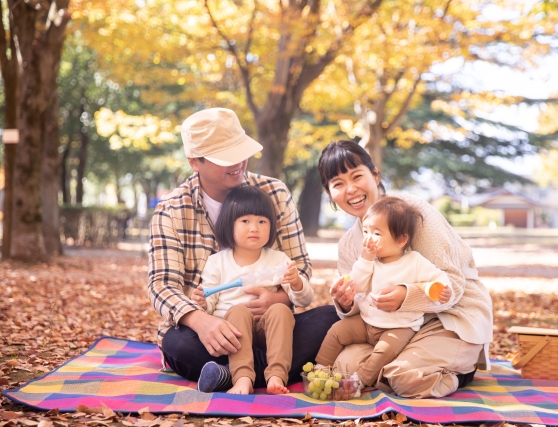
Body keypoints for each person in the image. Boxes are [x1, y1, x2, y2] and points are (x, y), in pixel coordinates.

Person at [148, 108, 339, 392]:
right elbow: (162, 285)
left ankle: (231, 376)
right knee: (178, 344)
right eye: (226, 157)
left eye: (240, 151)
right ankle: (269, 372)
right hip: (214, 335)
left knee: (331, 318)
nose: (238, 163)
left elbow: (299, 266)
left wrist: (278, 298)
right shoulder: (172, 209)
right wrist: (201, 321)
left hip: (274, 328)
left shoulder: (274, 193)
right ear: (194, 162)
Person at [316, 140, 493, 399]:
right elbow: (359, 304)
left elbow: (453, 284)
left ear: (375, 175)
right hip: (386, 328)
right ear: (329, 192)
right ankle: (403, 366)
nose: (351, 189)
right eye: (338, 183)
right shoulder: (347, 245)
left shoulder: (413, 213)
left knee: (400, 376)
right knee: (345, 367)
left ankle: (456, 372)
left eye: (357, 176)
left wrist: (406, 296)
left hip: (448, 318)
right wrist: (345, 303)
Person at [315, 197, 452, 389]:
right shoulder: (370, 262)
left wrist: (444, 290)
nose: (368, 239)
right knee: (337, 331)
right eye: (365, 232)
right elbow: (358, 285)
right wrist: (366, 259)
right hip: (366, 321)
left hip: (399, 327)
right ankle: (319, 368)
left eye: (376, 233)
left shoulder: (414, 261)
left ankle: (359, 381)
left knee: (383, 352)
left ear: (401, 239)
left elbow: (439, 278)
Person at [190, 186, 314, 394]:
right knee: (237, 311)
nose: (254, 228)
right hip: (232, 337)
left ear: (272, 226)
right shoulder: (217, 262)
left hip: (269, 335)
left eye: (262, 221)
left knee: (281, 310)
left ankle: (276, 375)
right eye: (245, 221)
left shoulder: (278, 260)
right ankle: (243, 378)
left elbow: (304, 300)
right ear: (230, 225)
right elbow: (210, 303)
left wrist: (297, 284)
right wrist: (202, 302)